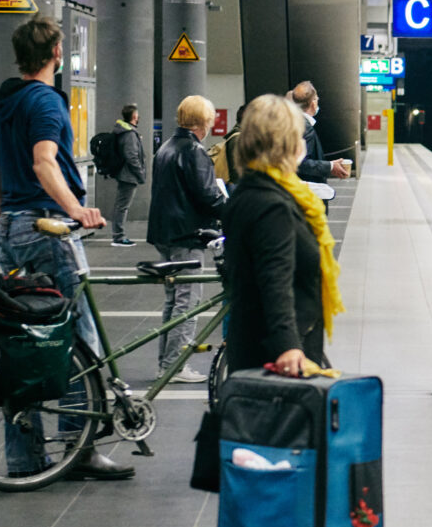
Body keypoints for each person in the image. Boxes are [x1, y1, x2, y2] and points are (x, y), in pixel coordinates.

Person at [0, 16, 131, 481]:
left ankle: (24, 457)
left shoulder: (0, 102)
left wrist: (8, 213)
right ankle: (79, 447)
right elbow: (44, 161)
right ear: (54, 54)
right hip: (47, 227)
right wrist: (77, 210)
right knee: (78, 337)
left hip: (10, 229)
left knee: (26, 340)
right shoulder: (46, 101)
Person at [223, 94, 345, 375]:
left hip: (253, 342)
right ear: (286, 143)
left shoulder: (248, 191)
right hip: (276, 356)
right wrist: (288, 345)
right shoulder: (272, 205)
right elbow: (274, 279)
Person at [147, 95, 227, 383]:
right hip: (186, 235)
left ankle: (166, 363)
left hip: (164, 233)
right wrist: (232, 211)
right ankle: (175, 365)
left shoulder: (166, 148)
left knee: (173, 300)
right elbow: (207, 196)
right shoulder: (193, 151)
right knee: (187, 302)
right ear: (202, 122)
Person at [290, 81, 352, 184]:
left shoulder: (291, 121)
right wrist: (330, 166)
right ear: (313, 103)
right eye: (317, 99)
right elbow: (301, 163)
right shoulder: (305, 126)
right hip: (307, 189)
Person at [110, 103, 145, 247]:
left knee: (121, 205)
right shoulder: (129, 134)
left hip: (124, 173)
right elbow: (132, 156)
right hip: (128, 175)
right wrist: (140, 173)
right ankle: (119, 236)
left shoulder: (125, 132)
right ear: (134, 116)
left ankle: (118, 235)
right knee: (122, 206)